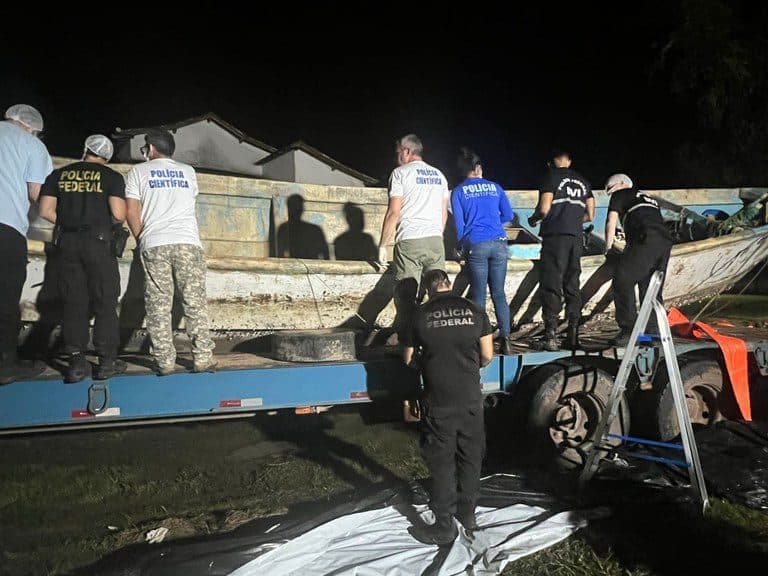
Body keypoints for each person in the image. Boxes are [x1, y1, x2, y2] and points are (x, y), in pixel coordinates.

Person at [403, 269, 494, 545]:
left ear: (428, 289)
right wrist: (465, 368)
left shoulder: (418, 316)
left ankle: (444, 526)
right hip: (469, 399)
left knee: (442, 463)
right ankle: (468, 515)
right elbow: (488, 355)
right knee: (470, 458)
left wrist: (430, 365)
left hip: (438, 401)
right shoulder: (475, 311)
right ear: (449, 284)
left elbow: (407, 359)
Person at [125, 130, 216, 375]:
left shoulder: (138, 172)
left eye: (145, 147)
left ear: (151, 148)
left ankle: (165, 361)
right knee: (194, 301)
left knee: (158, 304)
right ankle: (202, 357)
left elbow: (131, 212)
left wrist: (142, 237)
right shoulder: (188, 172)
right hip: (187, 242)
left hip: (154, 243)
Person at [38, 135, 126, 382]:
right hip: (98, 243)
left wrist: (68, 222)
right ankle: (107, 362)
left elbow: (45, 210)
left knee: (73, 302)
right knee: (104, 301)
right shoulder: (111, 177)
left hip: (67, 243)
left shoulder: (59, 174)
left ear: (86, 148)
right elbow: (119, 214)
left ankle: (77, 362)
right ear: (107, 156)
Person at [378, 134, 450, 340]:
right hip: (436, 240)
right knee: (439, 291)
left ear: (406, 151)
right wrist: (436, 234)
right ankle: (440, 336)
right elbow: (444, 213)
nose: (396, 157)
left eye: (397, 152)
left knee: (406, 294)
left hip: (410, 240)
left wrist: (383, 244)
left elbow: (394, 212)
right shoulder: (439, 175)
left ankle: (408, 341)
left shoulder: (400, 174)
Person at [0, 104, 53, 384]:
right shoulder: (31, 146)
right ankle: (5, 365)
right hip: (5, 228)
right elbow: (38, 196)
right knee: (5, 299)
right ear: (33, 128)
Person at [529, 149, 594, 351]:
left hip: (555, 236)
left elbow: (544, 208)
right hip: (576, 238)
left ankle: (550, 336)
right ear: (569, 160)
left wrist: (533, 219)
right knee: (572, 284)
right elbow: (590, 215)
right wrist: (574, 221)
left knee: (551, 283)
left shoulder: (551, 177)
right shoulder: (583, 181)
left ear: (551, 162)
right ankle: (573, 335)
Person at [451, 147, 514, 354]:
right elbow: (508, 215)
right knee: (499, 294)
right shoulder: (495, 187)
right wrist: (494, 224)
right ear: (478, 168)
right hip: (499, 243)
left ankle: (479, 342)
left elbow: (460, 226)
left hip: (476, 245)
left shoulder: (459, 192)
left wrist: (460, 247)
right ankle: (506, 339)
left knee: (478, 296)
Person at [604, 173, 673, 346]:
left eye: (611, 190)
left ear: (621, 184)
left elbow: (610, 222)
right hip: (664, 242)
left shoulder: (620, 194)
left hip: (646, 239)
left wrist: (608, 249)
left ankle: (628, 330)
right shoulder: (648, 199)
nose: (611, 194)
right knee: (650, 288)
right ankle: (653, 335)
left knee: (622, 280)